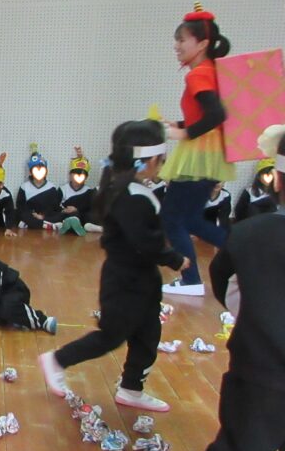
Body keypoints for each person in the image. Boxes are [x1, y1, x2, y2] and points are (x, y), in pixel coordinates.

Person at [166, 124, 285, 451]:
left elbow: (225, 282)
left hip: (265, 364)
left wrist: (256, 316)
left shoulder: (254, 233)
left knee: (240, 439)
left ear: (278, 178)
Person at [39, 120, 189, 412]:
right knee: (111, 335)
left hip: (142, 278)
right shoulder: (132, 195)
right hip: (125, 281)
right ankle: (57, 360)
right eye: (162, 160)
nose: (162, 166)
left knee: (148, 334)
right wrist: (175, 259)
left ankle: (132, 388)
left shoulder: (129, 189)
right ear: (148, 161)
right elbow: (145, 241)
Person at [160, 3, 234, 296]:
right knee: (189, 219)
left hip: (199, 155)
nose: (176, 46)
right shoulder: (209, 70)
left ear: (202, 44)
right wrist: (179, 123)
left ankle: (191, 281)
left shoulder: (197, 74)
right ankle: (241, 253)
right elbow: (205, 113)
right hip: (208, 154)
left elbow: (216, 114)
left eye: (181, 40)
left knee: (171, 218)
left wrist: (184, 132)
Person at [15, 145, 64, 230]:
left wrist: (42, 215)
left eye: (42, 170)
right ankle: (46, 225)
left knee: (60, 214)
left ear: (46, 172)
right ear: (31, 172)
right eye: (35, 170)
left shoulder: (51, 187)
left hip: (45, 215)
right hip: (31, 215)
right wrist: (33, 214)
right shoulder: (24, 187)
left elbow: (54, 206)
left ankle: (31, 224)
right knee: (18, 214)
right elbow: (20, 205)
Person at [60, 147, 97, 233]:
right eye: (76, 175)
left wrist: (77, 209)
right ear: (70, 175)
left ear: (86, 177)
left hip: (81, 216)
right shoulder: (62, 189)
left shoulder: (89, 191)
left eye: (82, 176)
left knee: (89, 215)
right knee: (60, 216)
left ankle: (78, 226)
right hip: (66, 214)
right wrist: (64, 210)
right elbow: (56, 205)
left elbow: (89, 207)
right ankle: (68, 225)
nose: (78, 178)